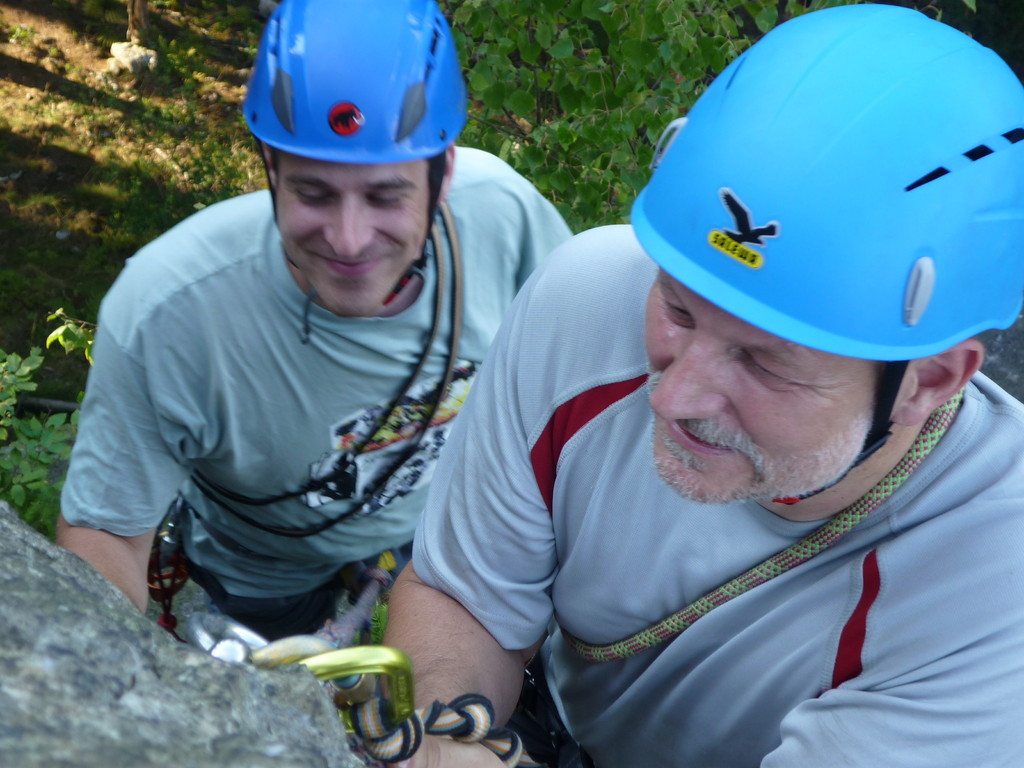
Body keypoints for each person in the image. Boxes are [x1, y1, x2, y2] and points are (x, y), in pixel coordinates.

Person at [379, 5, 1024, 767]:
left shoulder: (993, 588)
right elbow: (464, 599)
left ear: (929, 382)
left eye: (764, 362)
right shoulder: (586, 301)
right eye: (679, 311)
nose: (675, 397)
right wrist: (450, 738)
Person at [56, 0, 571, 641]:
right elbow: (107, 532)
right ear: (270, 170)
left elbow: (577, 370)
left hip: (445, 528)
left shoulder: (502, 216)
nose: (350, 239)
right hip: (264, 567)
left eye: (387, 195)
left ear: (444, 178)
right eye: (313, 193)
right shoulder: (168, 312)